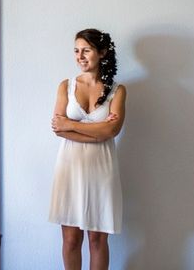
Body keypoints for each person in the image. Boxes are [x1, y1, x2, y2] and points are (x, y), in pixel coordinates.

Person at [48, 28, 127, 270]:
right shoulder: (66, 86)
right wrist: (98, 132)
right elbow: (57, 129)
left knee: (96, 239)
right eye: (76, 51)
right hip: (69, 167)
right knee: (71, 239)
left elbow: (112, 132)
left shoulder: (117, 90)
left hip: (102, 169)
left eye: (86, 50)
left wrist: (72, 125)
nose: (80, 56)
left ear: (102, 53)